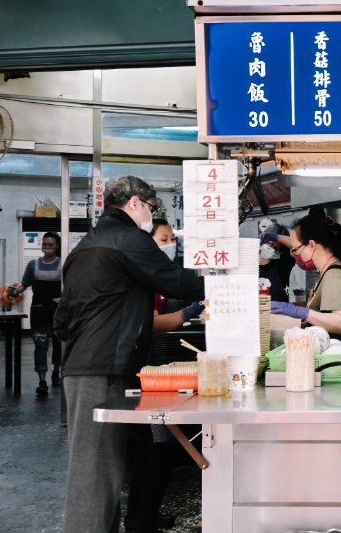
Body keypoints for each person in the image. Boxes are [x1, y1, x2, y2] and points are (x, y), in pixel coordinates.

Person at [53, 175, 205, 533]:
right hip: (103, 367)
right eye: (151, 208)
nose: (151, 216)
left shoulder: (85, 246)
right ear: (135, 202)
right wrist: (231, 281)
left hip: (82, 363)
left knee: (100, 465)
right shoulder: (127, 238)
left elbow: (62, 319)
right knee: (95, 469)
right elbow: (174, 280)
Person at [123, 218, 204, 533]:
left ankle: (141, 516)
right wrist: (187, 314)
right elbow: (149, 324)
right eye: (163, 238)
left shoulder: (155, 279)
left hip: (154, 367)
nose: (169, 243)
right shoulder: (145, 280)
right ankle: (141, 521)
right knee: (160, 447)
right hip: (150, 372)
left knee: (153, 448)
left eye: (172, 237)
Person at [264, 212, 341, 341]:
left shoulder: (334, 277)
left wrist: (301, 313)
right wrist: (275, 237)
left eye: (295, 250)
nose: (293, 255)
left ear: (312, 245)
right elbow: (297, 242)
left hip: (338, 356)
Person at [10, 232, 63, 396]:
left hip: (58, 310)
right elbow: (24, 284)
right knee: (40, 344)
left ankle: (56, 372)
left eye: (50, 245)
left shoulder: (63, 264)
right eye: (45, 244)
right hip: (39, 309)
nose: (47, 247)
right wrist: (14, 292)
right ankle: (42, 381)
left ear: (57, 247)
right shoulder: (33, 265)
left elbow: (71, 285)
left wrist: (64, 298)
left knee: (59, 344)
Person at [258, 222, 294, 302]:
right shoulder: (250, 261)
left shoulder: (284, 262)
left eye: (279, 247)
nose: (274, 249)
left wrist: (275, 237)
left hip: (279, 311)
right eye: (271, 244)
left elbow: (295, 245)